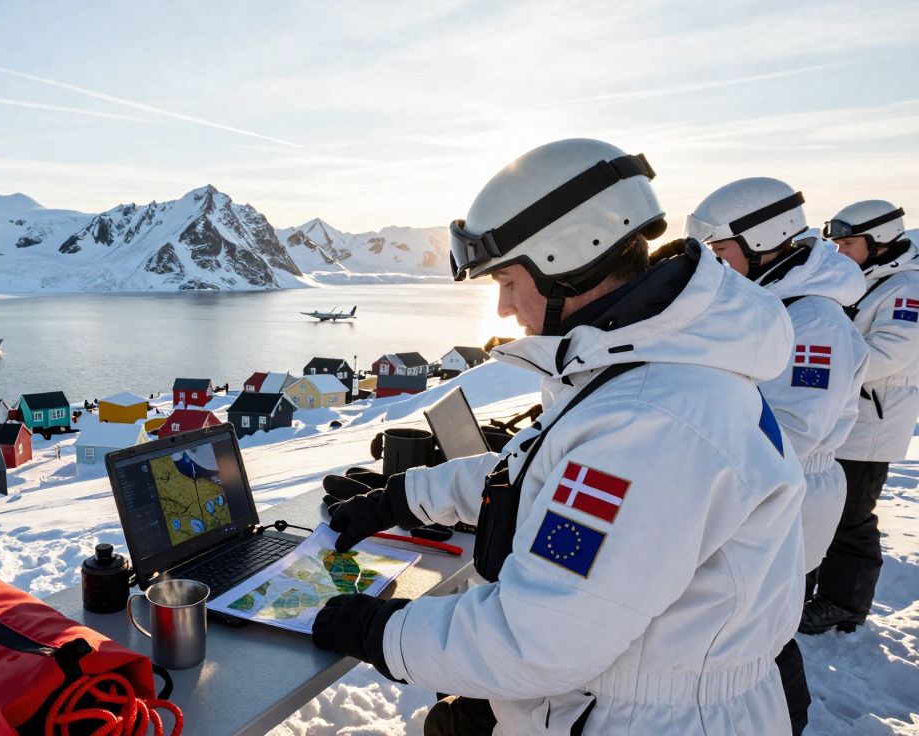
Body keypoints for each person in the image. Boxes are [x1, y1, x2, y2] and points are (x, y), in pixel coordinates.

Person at [311, 139, 806, 735]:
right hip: (605, 697)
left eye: (507, 281)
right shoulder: (636, 365)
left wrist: (379, 630)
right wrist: (403, 496)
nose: (502, 308)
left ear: (567, 256)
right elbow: (533, 472)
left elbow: (536, 639)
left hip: (642, 720)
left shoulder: (650, 423)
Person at [686, 178, 870, 734]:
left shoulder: (816, 321)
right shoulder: (769, 302)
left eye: (721, 254)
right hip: (767, 482)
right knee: (756, 622)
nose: (714, 268)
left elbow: (794, 429)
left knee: (762, 630)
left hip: (792, 488)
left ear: (766, 241)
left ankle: (786, 720)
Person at [804, 201, 919, 634]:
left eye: (848, 243)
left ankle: (843, 604)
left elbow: (890, 354)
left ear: (880, 241)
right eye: (836, 243)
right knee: (820, 509)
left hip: (871, 424)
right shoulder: (866, 280)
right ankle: (804, 590)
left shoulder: (906, 288)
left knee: (850, 516)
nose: (840, 251)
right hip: (842, 418)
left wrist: (826, 361)